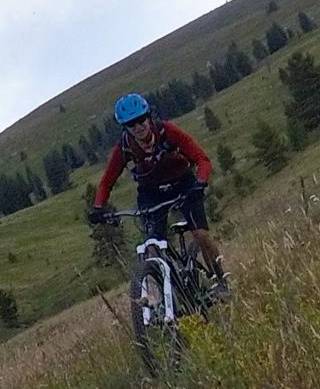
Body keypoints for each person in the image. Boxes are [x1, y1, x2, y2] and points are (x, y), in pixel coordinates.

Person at [87, 93, 224, 276]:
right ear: (124, 127)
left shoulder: (167, 131)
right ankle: (158, 297)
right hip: (151, 193)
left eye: (141, 120)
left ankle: (220, 279)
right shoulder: (124, 147)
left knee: (200, 235)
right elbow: (107, 182)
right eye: (131, 124)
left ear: (148, 116)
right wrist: (98, 207)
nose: (138, 127)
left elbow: (202, 159)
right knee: (152, 247)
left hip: (183, 183)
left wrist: (200, 183)